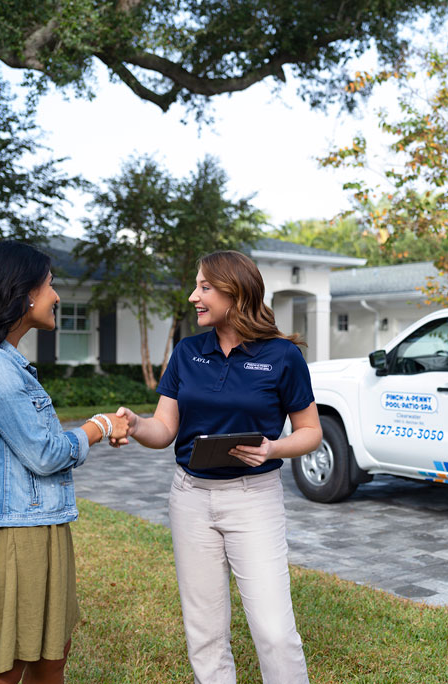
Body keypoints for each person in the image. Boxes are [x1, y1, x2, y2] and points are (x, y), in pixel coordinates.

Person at [0, 241, 129, 684]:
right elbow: (46, 453)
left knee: (51, 654)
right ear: (24, 293)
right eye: (51, 285)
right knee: (5, 664)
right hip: (8, 536)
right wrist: (100, 425)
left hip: (35, 528)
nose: (56, 295)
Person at [115, 250, 322, 684]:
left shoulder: (283, 357)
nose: (194, 296)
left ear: (236, 293)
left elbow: (310, 433)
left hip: (254, 500)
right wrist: (136, 425)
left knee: (274, 630)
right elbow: (164, 429)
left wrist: (273, 449)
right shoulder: (188, 352)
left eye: (204, 287)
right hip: (190, 498)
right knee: (205, 631)